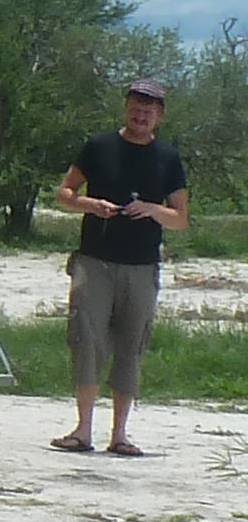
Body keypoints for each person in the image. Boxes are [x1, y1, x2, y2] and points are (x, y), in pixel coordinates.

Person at [50, 77, 192, 457]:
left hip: (142, 267)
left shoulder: (168, 157)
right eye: (136, 106)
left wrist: (153, 210)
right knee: (87, 340)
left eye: (150, 109)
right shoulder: (99, 146)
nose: (141, 114)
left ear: (159, 116)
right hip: (95, 260)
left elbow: (181, 218)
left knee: (132, 345)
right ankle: (82, 430)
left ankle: (120, 434)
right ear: (126, 108)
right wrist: (90, 205)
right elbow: (64, 193)